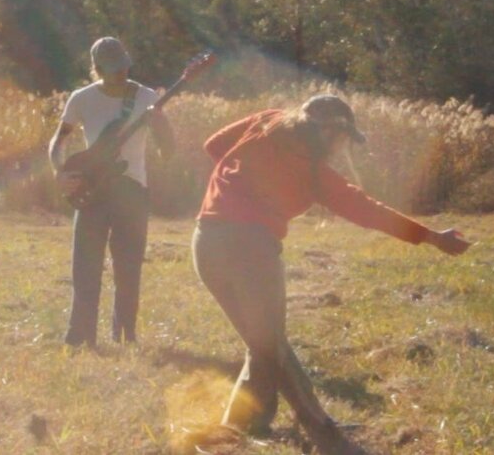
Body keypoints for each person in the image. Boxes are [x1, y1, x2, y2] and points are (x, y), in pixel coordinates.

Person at [192, 94, 470, 454]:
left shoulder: (268, 121)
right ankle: (324, 433)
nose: (341, 148)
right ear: (329, 133)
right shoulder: (315, 173)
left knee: (262, 343)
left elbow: (214, 146)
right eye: (342, 139)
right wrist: (432, 237)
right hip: (251, 251)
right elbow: (369, 211)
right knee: (270, 346)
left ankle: (243, 424)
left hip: (206, 242)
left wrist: (242, 184)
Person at [49, 36, 175, 348]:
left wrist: (161, 125)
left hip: (132, 191)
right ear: (98, 69)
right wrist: (60, 171)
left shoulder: (146, 97)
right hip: (93, 191)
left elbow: (168, 151)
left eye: (124, 66)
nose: (121, 72)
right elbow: (58, 140)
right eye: (113, 68)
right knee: (85, 270)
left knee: (128, 269)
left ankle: (124, 337)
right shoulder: (81, 98)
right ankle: (80, 340)